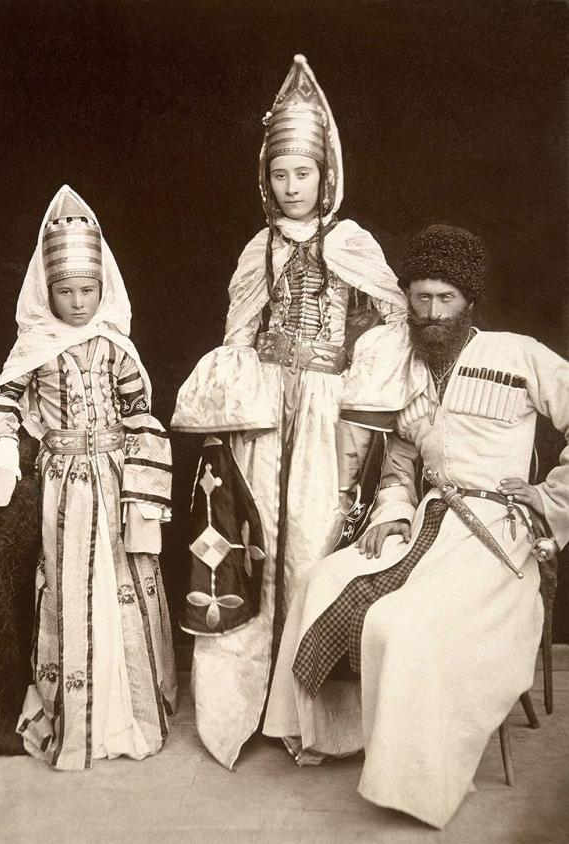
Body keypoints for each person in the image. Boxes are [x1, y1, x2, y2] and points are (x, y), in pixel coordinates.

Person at [263, 224, 569, 828]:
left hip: (496, 535)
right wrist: (392, 512)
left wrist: (549, 497)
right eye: (421, 297)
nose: (431, 313)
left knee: (404, 624)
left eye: (445, 298)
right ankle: (332, 735)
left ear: (469, 301)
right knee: (322, 581)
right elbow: (400, 463)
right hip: (426, 525)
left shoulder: (518, 354)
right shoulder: (404, 369)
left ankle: (410, 780)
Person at [170, 55, 417, 770]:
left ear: (325, 174)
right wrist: (236, 401)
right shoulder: (261, 248)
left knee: (312, 548)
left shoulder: (352, 242)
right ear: (266, 177)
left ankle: (305, 717)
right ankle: (245, 709)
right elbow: (238, 334)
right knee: (257, 545)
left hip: (324, 413)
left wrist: (355, 381)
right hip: (264, 415)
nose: (291, 186)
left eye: (302, 173)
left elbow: (393, 318)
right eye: (279, 174)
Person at [0, 186, 177, 770]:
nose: (78, 303)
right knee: (69, 584)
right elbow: (1, 404)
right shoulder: (35, 348)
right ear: (46, 291)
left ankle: (130, 712)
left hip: (115, 479)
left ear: (104, 288)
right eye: (66, 291)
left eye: (88, 290)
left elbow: (140, 415)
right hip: (63, 487)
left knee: (124, 582)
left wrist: (143, 492)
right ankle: (77, 720)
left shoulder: (116, 348)